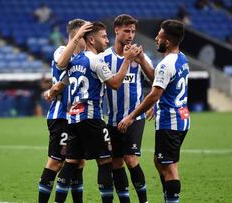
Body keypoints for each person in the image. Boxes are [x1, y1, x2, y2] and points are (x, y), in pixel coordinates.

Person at [53, 22, 141, 203]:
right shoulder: (96, 60)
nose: (107, 40)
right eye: (104, 36)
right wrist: (126, 60)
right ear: (91, 40)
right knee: (106, 161)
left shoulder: (75, 60)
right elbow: (115, 84)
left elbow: (61, 65)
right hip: (92, 117)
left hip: (74, 118)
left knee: (71, 162)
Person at [118, 19, 190, 203]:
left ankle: (172, 199)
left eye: (160, 34)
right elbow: (159, 80)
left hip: (170, 121)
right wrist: (142, 60)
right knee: (160, 162)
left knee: (169, 167)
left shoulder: (167, 64)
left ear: (168, 41)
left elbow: (154, 95)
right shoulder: (181, 59)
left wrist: (132, 116)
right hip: (181, 118)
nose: (156, 37)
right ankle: (169, 197)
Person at [99, 14, 154, 203]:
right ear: (116, 30)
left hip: (134, 117)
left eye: (133, 31)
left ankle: (143, 200)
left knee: (130, 159)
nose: (130, 35)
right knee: (116, 163)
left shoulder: (141, 56)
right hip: (112, 120)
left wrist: (142, 62)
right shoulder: (104, 58)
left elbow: (156, 81)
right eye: (126, 31)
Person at [38, 19, 92, 203]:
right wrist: (56, 87)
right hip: (60, 115)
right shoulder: (61, 51)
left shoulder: (85, 57)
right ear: (77, 36)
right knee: (56, 161)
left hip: (77, 117)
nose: (89, 40)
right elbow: (61, 65)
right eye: (85, 36)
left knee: (78, 162)